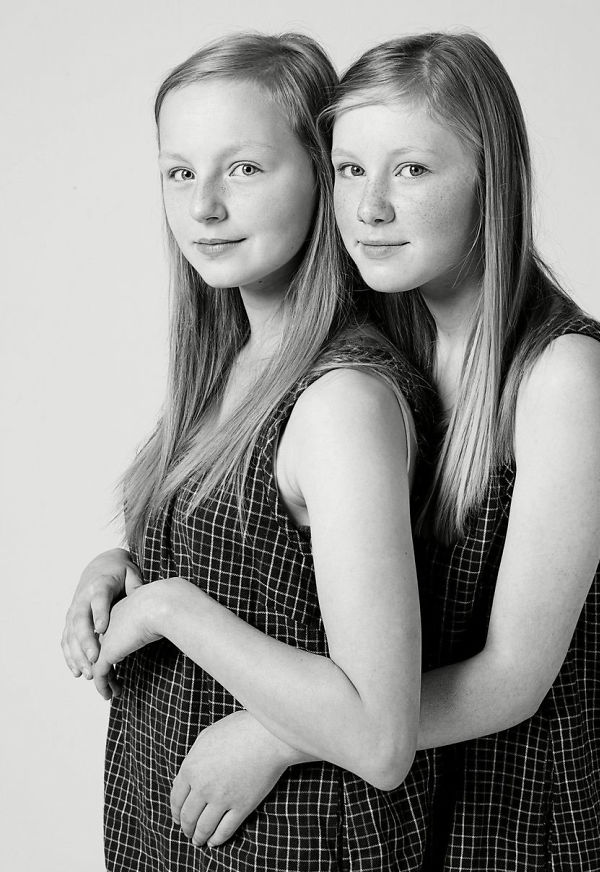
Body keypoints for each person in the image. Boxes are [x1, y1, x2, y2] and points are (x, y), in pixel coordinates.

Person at [66, 29, 600, 871]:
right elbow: (286, 570)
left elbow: (512, 678)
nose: (370, 207)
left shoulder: (562, 374)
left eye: (411, 169)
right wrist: (130, 565)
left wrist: (280, 732)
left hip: (520, 808)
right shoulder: (387, 328)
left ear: (492, 179)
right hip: (417, 798)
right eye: (349, 169)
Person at [61, 32, 436, 870]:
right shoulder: (234, 361)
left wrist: (169, 609)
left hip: (293, 846)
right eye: (179, 172)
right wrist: (123, 570)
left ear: (323, 175)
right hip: (177, 834)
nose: (203, 207)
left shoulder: (340, 403)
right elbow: (263, 574)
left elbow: (380, 738)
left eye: (244, 168)